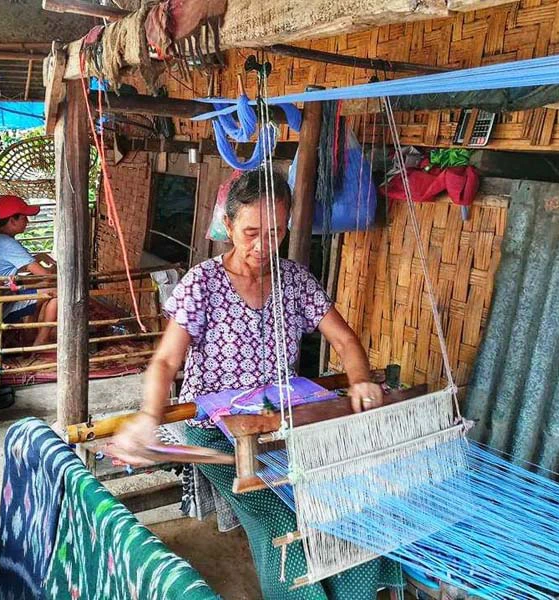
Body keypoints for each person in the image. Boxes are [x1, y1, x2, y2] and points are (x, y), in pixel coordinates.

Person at [111, 169, 402, 600]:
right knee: (282, 522)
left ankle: (349, 592)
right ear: (227, 227)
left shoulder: (295, 280)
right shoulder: (203, 284)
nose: (264, 246)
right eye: (251, 233)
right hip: (214, 430)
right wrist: (149, 418)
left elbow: (344, 339)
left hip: (279, 426)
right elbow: (167, 361)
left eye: (276, 232)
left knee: (345, 500)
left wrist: (360, 381)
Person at [0, 195, 58, 346]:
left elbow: (21, 266)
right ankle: (40, 342)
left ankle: (29, 334)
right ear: (12, 220)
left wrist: (38, 258)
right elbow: (46, 276)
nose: (27, 221)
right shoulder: (8, 244)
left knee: (39, 285)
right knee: (56, 291)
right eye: (24, 218)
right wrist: (53, 268)